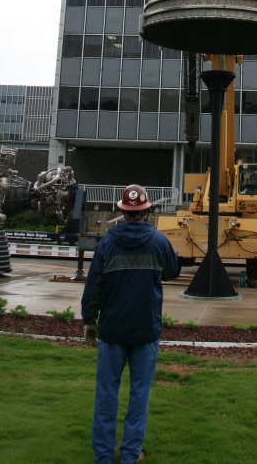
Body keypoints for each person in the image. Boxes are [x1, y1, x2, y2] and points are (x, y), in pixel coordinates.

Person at [82, 183, 179, 463]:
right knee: (139, 394)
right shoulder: (158, 242)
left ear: (123, 212)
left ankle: (102, 456)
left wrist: (90, 320)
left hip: (112, 331)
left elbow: (94, 287)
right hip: (146, 331)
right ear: (146, 211)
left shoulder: (108, 243)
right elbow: (173, 270)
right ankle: (129, 454)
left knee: (106, 394)